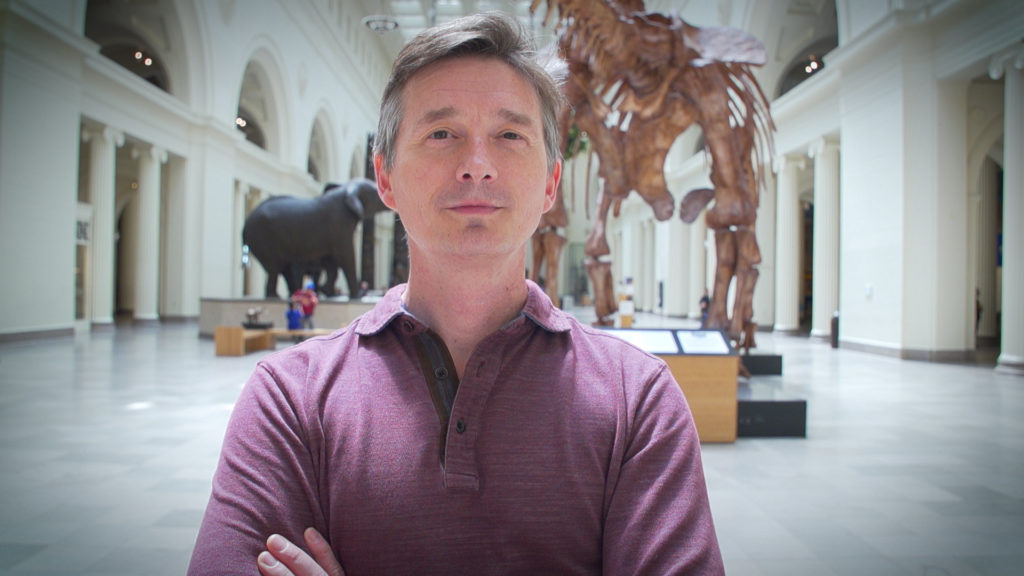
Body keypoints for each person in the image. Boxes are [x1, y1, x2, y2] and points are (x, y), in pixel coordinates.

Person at [189, 12, 723, 575]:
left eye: (510, 136)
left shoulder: (639, 401)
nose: (477, 167)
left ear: (550, 183)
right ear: (385, 178)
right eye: (442, 133)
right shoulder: (288, 400)